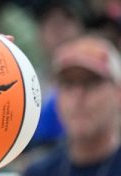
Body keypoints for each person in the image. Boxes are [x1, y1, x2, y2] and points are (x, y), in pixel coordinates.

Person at [23, 34, 121, 176]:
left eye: (91, 82)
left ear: (118, 93)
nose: (78, 96)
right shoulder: (38, 171)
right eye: (68, 84)